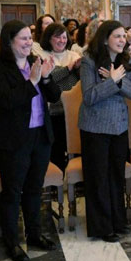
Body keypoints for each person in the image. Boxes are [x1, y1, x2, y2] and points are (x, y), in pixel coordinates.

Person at [0, 19, 61, 261]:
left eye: (30, 38)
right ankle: (12, 242)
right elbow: (6, 102)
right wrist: (32, 82)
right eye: (24, 38)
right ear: (9, 41)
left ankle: (34, 234)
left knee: (34, 189)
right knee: (12, 192)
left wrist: (46, 78)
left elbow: (55, 96)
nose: (29, 42)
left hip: (40, 136)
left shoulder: (34, 62)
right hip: (13, 140)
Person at [79, 20, 131, 241]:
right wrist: (112, 82)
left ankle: (118, 221)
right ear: (105, 39)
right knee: (98, 179)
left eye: (124, 36)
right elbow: (89, 96)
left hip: (119, 126)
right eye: (117, 36)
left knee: (116, 176)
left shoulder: (127, 60)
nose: (122, 40)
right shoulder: (89, 60)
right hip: (95, 127)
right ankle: (102, 227)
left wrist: (119, 82)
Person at [39, 22, 82, 171]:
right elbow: (47, 80)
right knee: (57, 149)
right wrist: (68, 69)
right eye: (57, 37)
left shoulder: (74, 55)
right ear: (49, 38)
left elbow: (80, 81)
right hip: (53, 110)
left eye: (64, 37)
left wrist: (77, 69)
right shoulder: (41, 56)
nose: (62, 40)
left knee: (76, 147)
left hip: (74, 110)